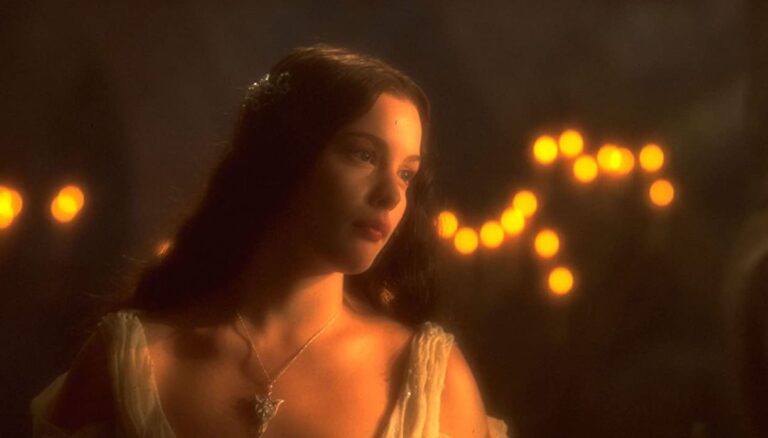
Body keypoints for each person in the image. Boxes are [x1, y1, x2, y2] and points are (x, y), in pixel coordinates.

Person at [30, 44, 510, 437]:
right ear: (285, 157)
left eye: (407, 174)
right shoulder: (134, 359)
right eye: (363, 155)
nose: (391, 196)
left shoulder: (429, 378)